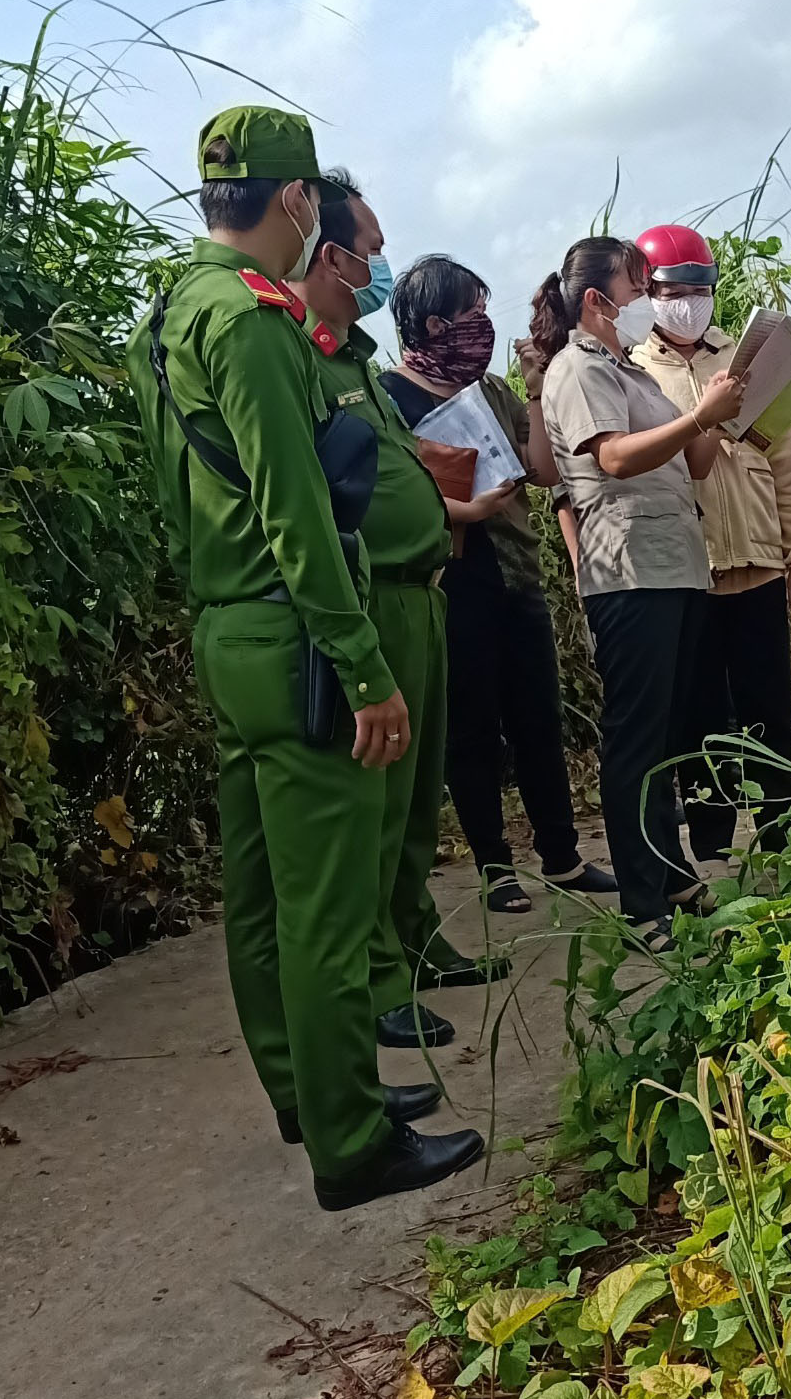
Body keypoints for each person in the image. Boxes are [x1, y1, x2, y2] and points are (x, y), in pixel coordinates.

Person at [125, 107, 481, 1211]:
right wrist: (365, 667)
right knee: (326, 905)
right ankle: (350, 1139)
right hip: (294, 632)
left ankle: (302, 1090)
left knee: (260, 886)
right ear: (295, 203)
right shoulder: (250, 323)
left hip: (227, 627)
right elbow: (297, 517)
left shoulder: (170, 310)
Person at [288, 180, 500, 1057]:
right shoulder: (299, 356)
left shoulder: (351, 359)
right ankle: (379, 978)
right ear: (329, 253)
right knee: (372, 803)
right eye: (369, 244)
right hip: (372, 596)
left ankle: (415, 936)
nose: (379, 259)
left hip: (424, 593)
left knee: (416, 796)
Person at [377, 255, 617, 918]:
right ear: (433, 323)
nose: (483, 327)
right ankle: (494, 867)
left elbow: (540, 471)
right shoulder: (389, 399)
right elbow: (389, 498)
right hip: (451, 578)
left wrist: (537, 388)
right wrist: (464, 513)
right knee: (472, 727)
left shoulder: (490, 392)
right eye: (471, 314)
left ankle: (562, 857)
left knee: (540, 718)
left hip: (516, 572)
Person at [532, 236, 745, 950]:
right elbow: (615, 458)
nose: (647, 300)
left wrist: (727, 411)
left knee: (667, 735)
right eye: (637, 286)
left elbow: (698, 461)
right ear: (597, 301)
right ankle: (640, 903)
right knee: (636, 741)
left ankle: (669, 871)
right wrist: (697, 418)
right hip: (627, 572)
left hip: (675, 563)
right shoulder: (577, 370)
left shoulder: (633, 374)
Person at [633, 225, 791, 863]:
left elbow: (786, 463)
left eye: (700, 288)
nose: (688, 300)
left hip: (762, 562)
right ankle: (711, 844)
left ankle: (783, 833)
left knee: (770, 703)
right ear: (648, 293)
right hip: (692, 570)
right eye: (673, 289)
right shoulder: (632, 372)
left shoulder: (740, 360)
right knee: (701, 712)